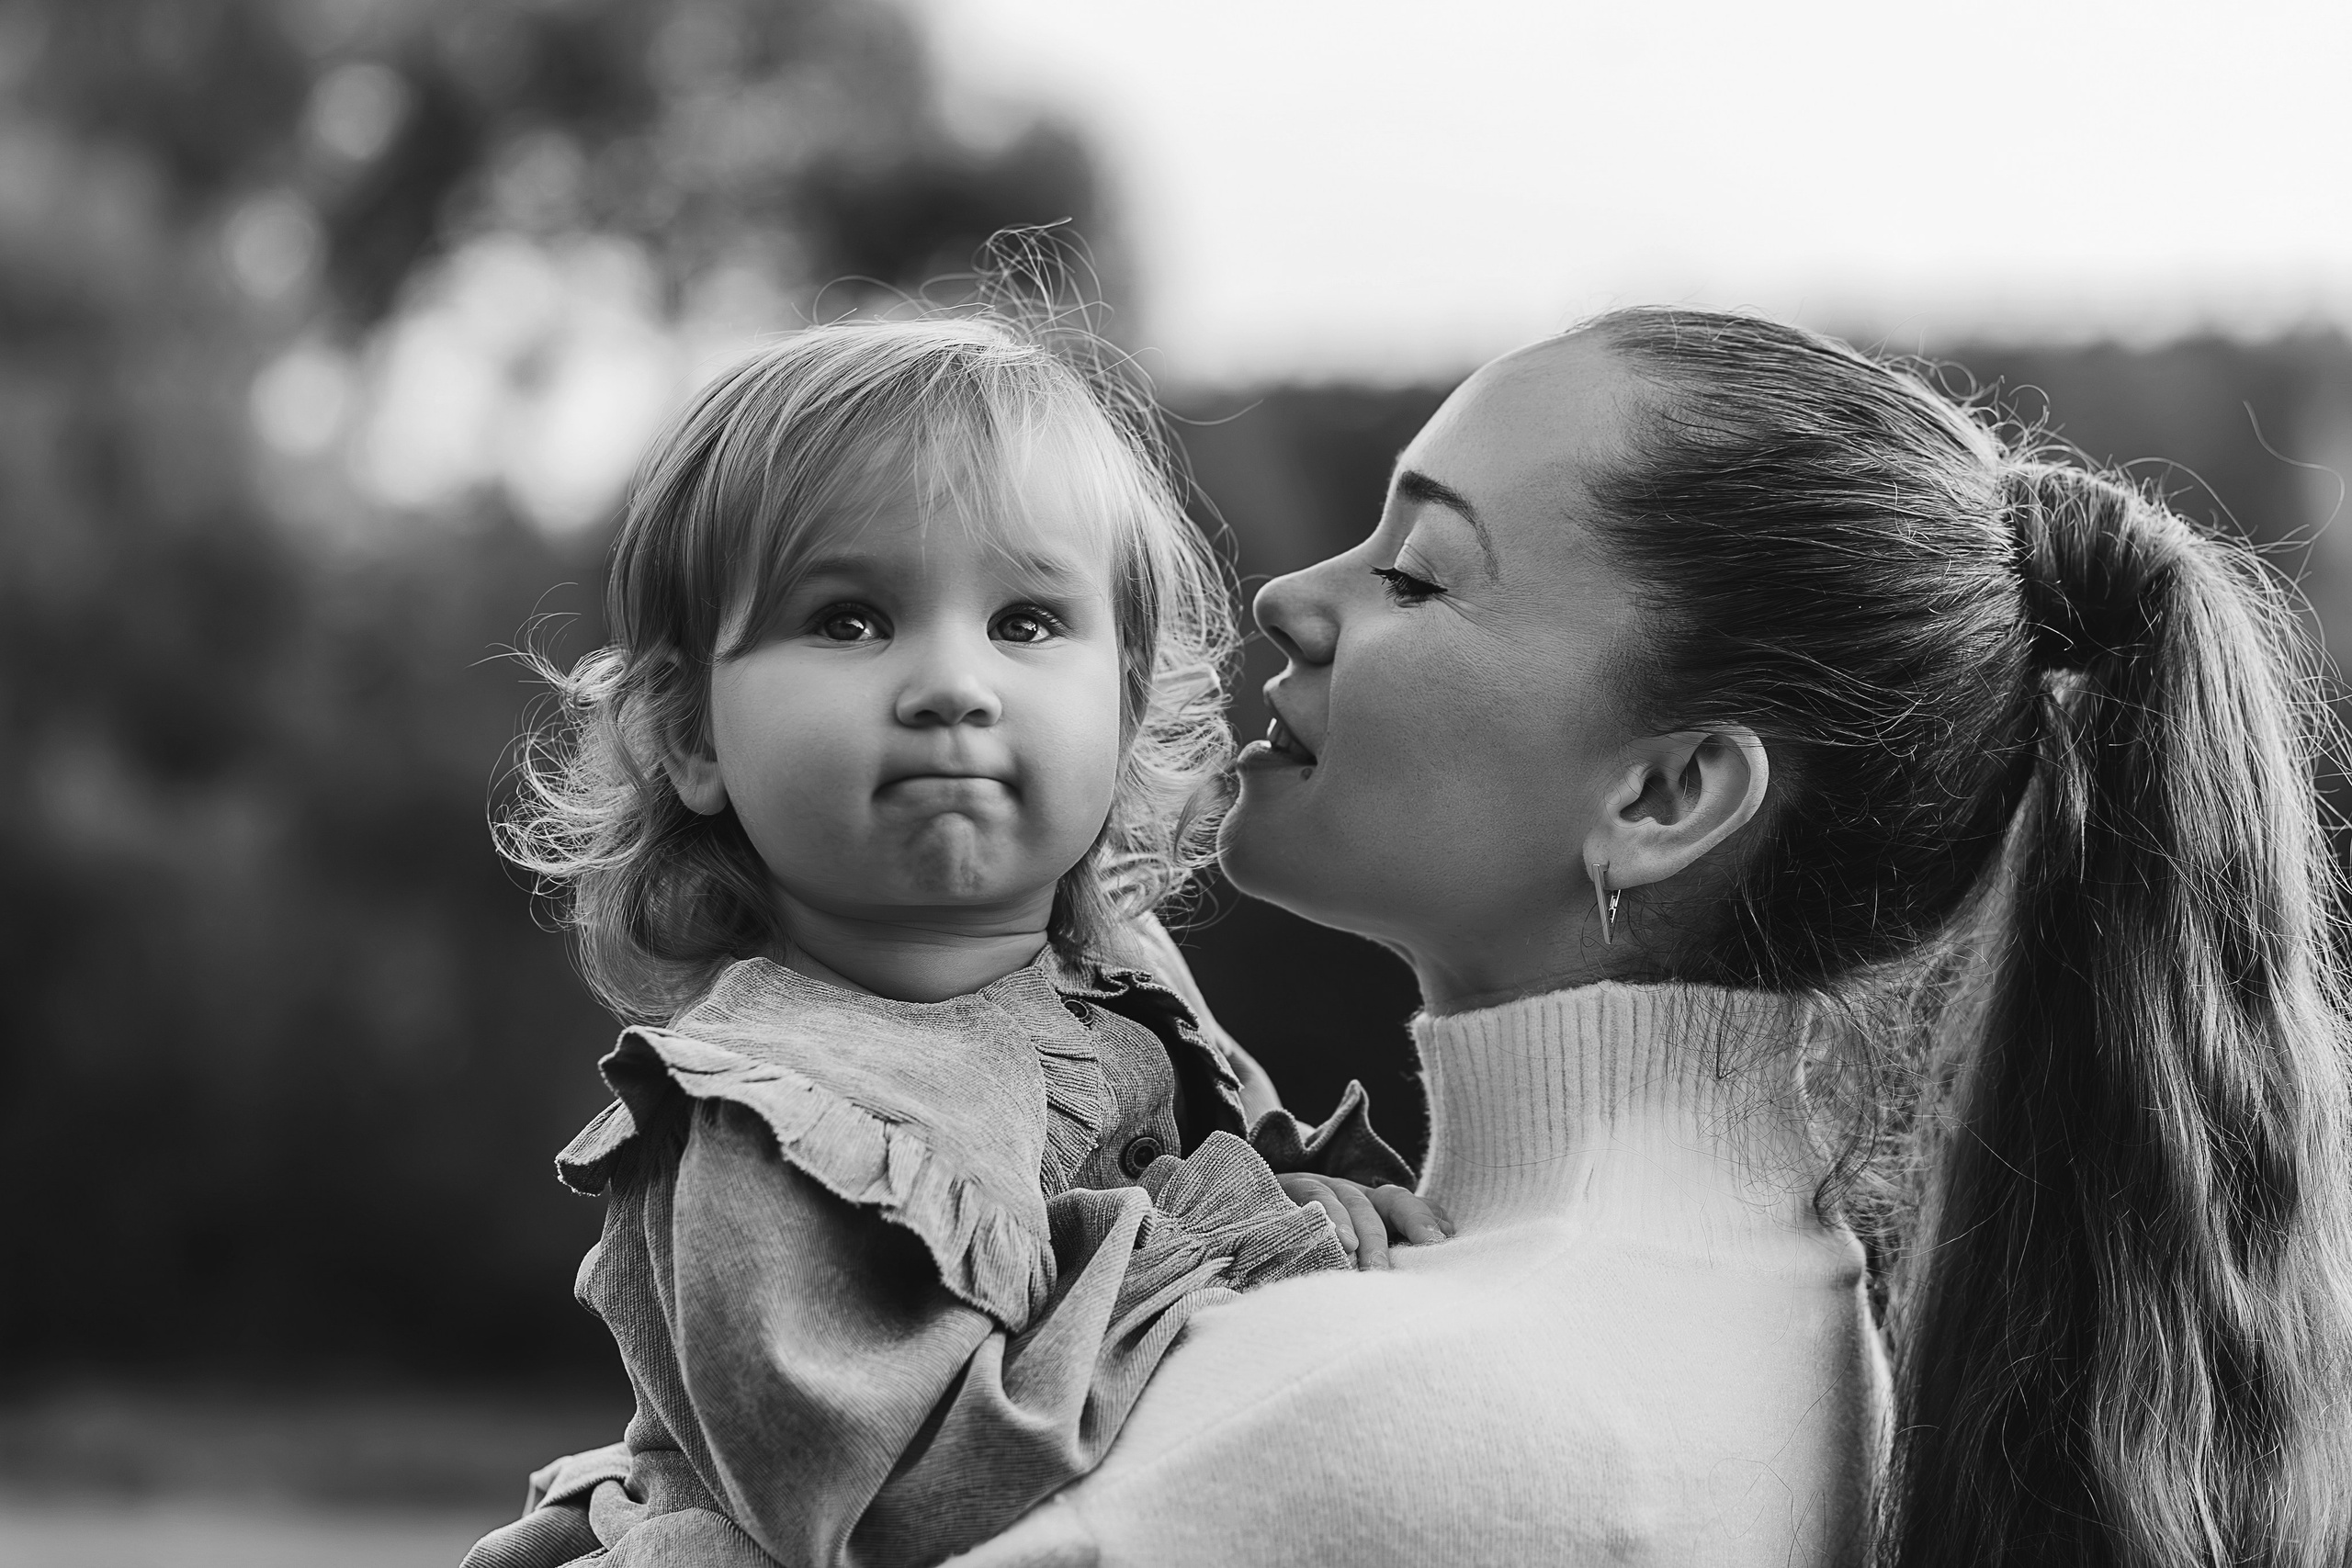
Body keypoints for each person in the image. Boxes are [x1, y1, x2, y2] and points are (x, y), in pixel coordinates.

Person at [940, 309, 2352, 1567]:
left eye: (1420, 573)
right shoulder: (1763, 1324)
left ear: (1669, 796)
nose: (1290, 599)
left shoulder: (1425, 1402)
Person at [460, 315, 1442, 1568]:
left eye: (1027, 623)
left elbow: (1228, 1204)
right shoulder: (761, 1116)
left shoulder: (1127, 973)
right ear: (691, 734)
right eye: (851, 620)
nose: (950, 684)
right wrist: (1217, 1244)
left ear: (1128, 701)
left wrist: (1302, 1205)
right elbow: (893, 1511)